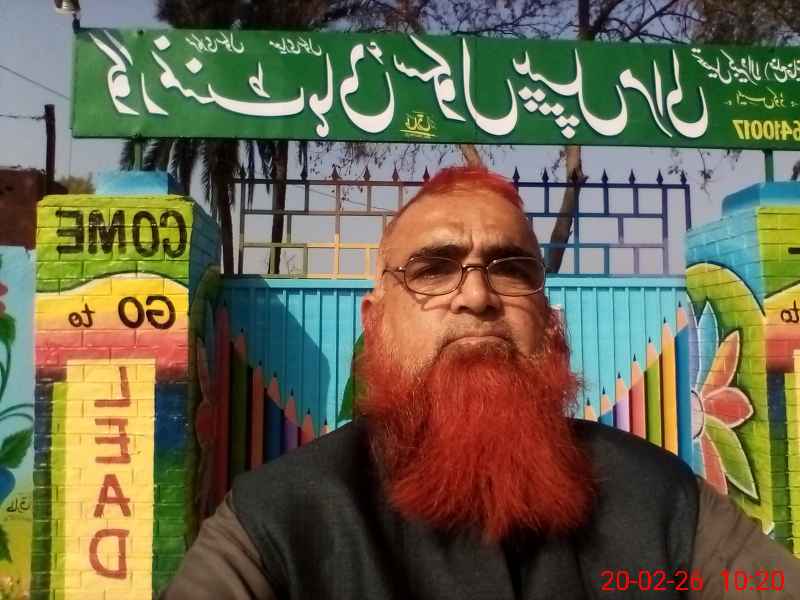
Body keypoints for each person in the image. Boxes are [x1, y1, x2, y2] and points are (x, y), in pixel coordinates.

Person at [163, 167, 800, 599]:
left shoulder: (664, 504)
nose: (476, 295)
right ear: (375, 321)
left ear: (548, 318)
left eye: (511, 269)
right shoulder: (275, 521)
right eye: (433, 269)